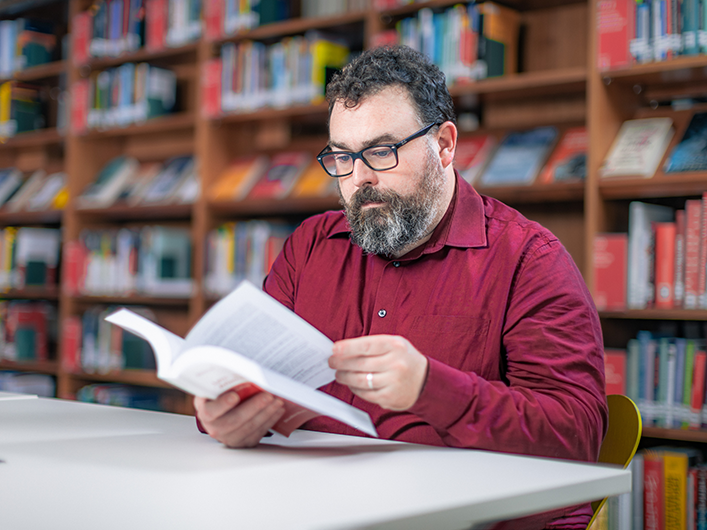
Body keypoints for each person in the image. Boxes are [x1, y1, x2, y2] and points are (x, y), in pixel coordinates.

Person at [195, 45, 607, 529]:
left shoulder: (528, 259)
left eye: (381, 151)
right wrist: (222, 415)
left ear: (445, 145)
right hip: (321, 508)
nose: (360, 179)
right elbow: (247, 377)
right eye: (343, 158)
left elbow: (576, 435)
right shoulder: (310, 248)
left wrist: (432, 388)